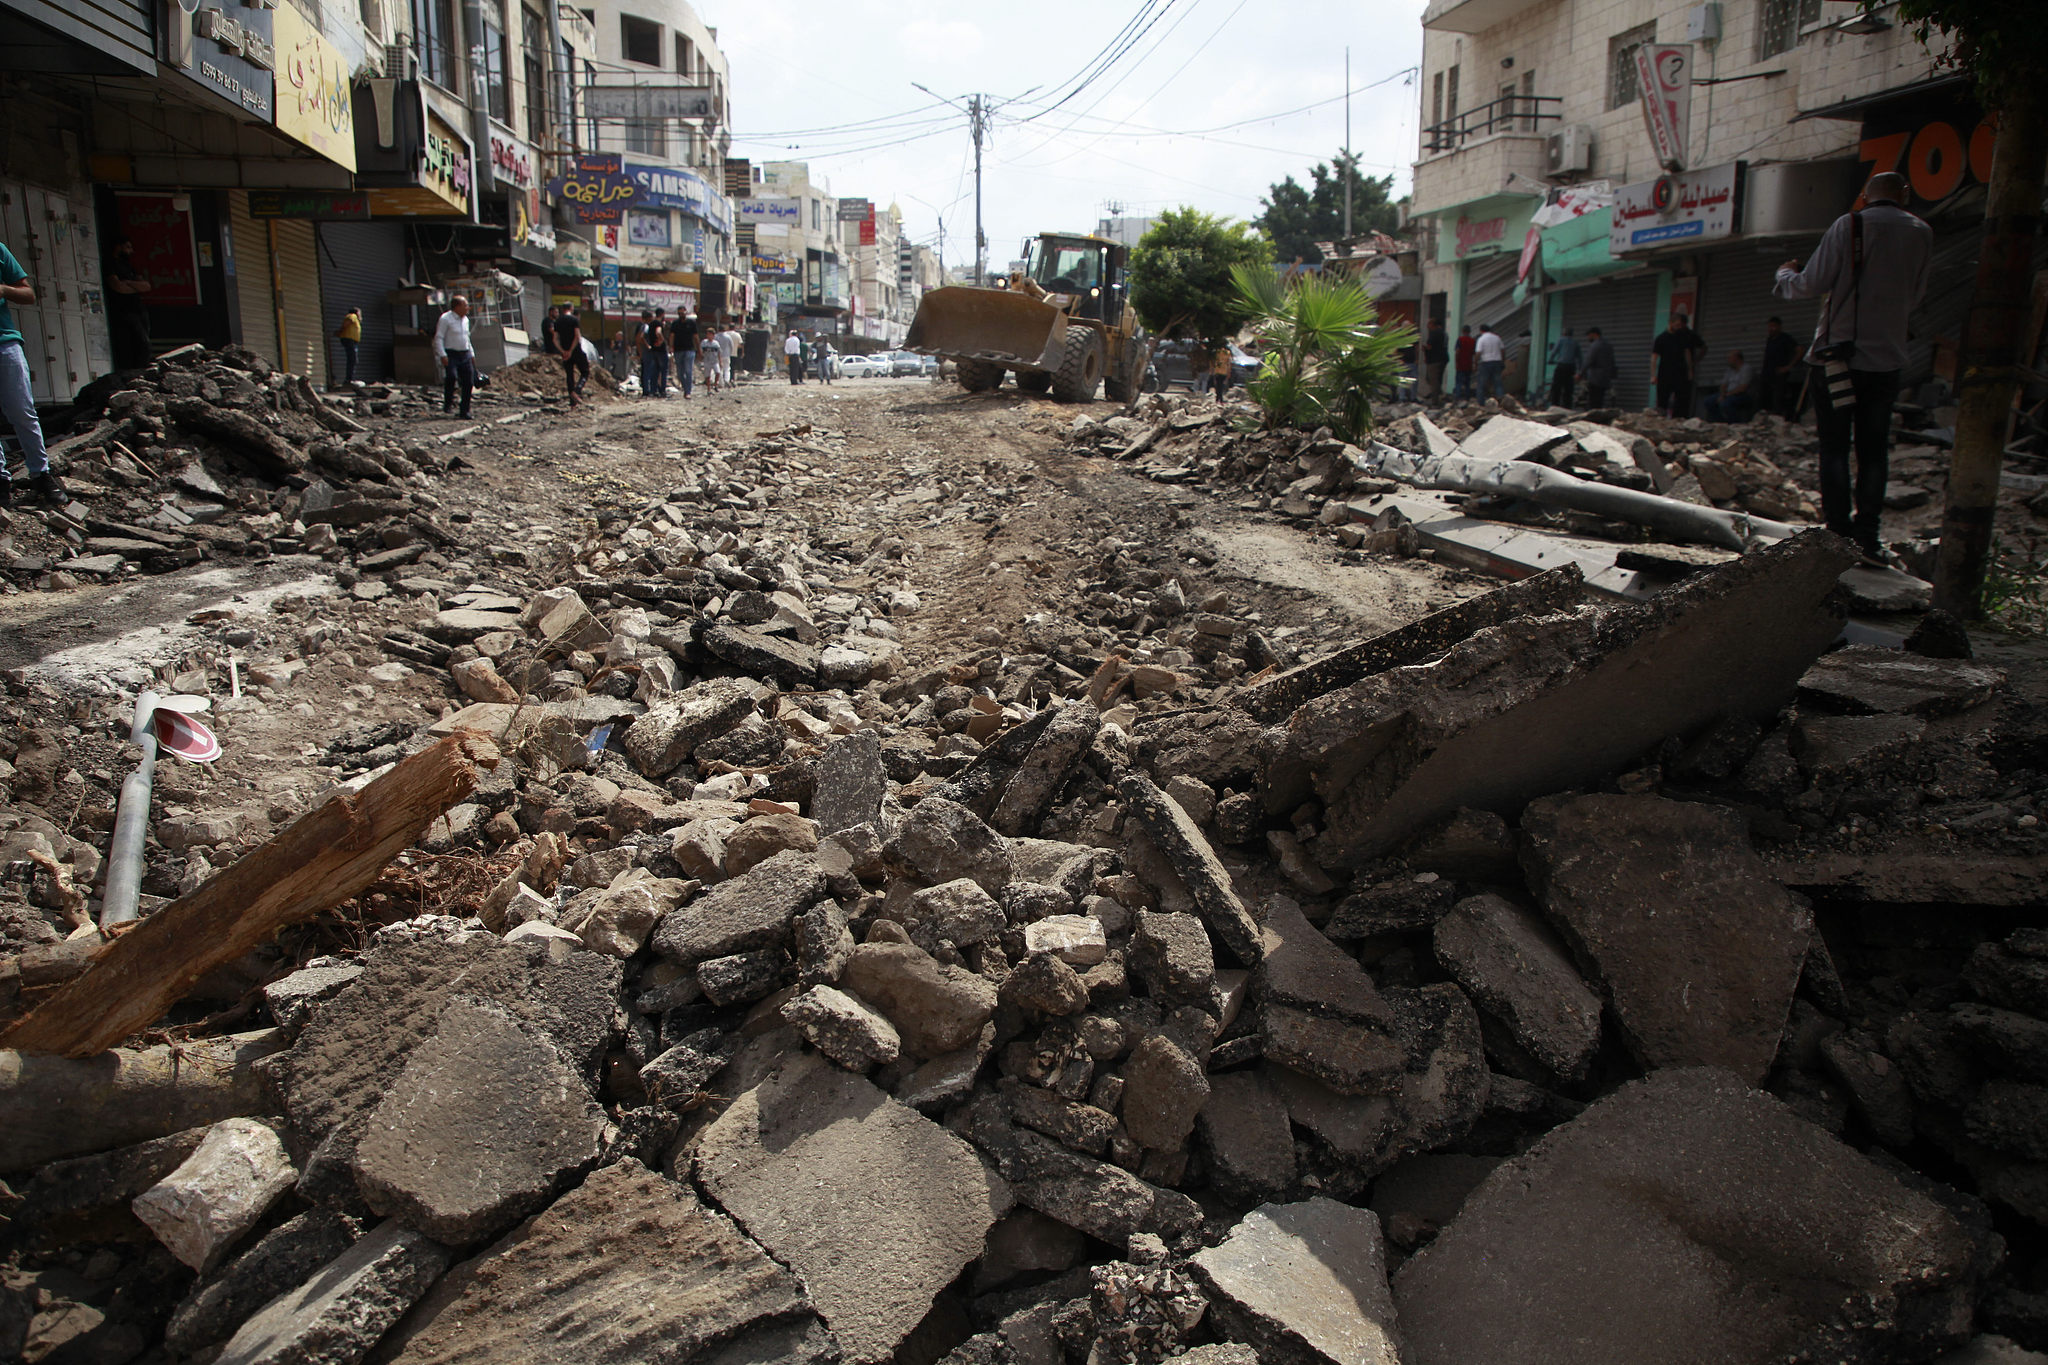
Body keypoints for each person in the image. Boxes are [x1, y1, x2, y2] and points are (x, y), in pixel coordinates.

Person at [1776, 170, 1933, 560]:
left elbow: (1809, 284)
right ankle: (1868, 535)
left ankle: (1837, 533)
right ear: (1905, 195)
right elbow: (1915, 295)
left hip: (1836, 360)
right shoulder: (1921, 232)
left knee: (1833, 446)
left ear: (1864, 195)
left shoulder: (1849, 225)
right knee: (1874, 450)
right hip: (1886, 361)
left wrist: (1784, 273)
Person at [0, 238, 62, 505]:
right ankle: (2, 483)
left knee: (22, 411)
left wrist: (3, 289)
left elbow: (28, 293)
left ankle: (41, 475)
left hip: (4, 342)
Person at [105, 236, 153, 370]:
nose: (131, 251)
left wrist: (129, 283)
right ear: (118, 247)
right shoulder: (111, 264)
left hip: (138, 309)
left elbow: (146, 286)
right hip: (124, 311)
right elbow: (118, 287)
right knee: (137, 344)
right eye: (128, 247)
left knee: (144, 344)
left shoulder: (128, 266)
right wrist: (134, 287)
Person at [1650, 312, 1705, 417]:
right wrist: (1653, 375)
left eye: (1680, 325)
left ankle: (1678, 421)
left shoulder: (1683, 337)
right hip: (1665, 373)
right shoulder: (1661, 338)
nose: (1679, 327)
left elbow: (1687, 353)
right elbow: (1654, 358)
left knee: (1681, 401)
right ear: (1671, 323)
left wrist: (1690, 370)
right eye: (1677, 325)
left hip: (1681, 373)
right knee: (1662, 401)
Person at [432, 294, 475, 418]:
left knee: (468, 381)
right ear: (457, 307)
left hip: (465, 353)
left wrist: (471, 354)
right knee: (451, 377)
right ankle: (448, 402)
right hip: (451, 354)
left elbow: (467, 338)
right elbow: (439, 338)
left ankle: (464, 410)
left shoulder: (466, 320)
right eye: (465, 305)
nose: (468, 307)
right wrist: (442, 355)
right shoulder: (446, 319)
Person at [1758, 316, 1802, 419]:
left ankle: (1779, 418)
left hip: (1779, 374)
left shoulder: (1785, 338)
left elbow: (1800, 350)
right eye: (1769, 327)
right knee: (1764, 398)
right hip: (1767, 374)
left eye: (1773, 326)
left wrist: (1788, 367)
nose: (1771, 329)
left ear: (1779, 327)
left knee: (1778, 398)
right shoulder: (1770, 340)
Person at [1701, 350, 1757, 424]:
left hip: (1742, 395)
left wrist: (1726, 395)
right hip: (1727, 394)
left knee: (1725, 403)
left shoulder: (1746, 369)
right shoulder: (1730, 370)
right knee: (1709, 401)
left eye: (1730, 358)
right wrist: (1722, 394)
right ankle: (1719, 422)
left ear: (1737, 359)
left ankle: (1734, 423)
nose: (1728, 360)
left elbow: (1743, 387)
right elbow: (1724, 384)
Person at [554, 306, 588, 409]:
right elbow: (577, 337)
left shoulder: (557, 321)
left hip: (565, 353)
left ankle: (572, 402)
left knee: (569, 375)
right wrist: (571, 350)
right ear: (571, 309)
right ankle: (577, 391)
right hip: (576, 351)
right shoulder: (574, 320)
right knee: (585, 372)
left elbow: (555, 339)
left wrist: (563, 351)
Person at [1580, 327, 1617, 408]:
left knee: (1593, 401)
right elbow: (1612, 361)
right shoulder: (1608, 345)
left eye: (1589, 335)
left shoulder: (1595, 345)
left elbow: (1588, 360)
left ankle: (1593, 418)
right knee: (1599, 400)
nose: (1588, 338)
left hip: (1595, 378)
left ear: (1594, 334)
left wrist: (1580, 373)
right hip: (1605, 378)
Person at [1546, 327, 1581, 408]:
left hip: (1561, 366)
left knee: (1557, 387)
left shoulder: (1561, 340)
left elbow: (1554, 352)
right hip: (1571, 368)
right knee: (1568, 389)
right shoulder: (1575, 342)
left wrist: (1550, 360)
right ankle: (1567, 407)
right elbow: (1579, 357)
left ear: (1564, 333)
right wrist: (1579, 370)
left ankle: (1555, 406)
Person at [1473, 324, 1505, 404]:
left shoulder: (1481, 339)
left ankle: (1481, 402)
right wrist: (1502, 360)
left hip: (1486, 363)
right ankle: (1501, 401)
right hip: (1497, 362)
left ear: (1481, 331)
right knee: (1498, 383)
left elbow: (1478, 352)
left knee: (1481, 384)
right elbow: (1502, 350)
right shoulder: (1497, 337)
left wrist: (1475, 363)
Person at [670, 310, 697, 399]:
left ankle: (688, 391)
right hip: (678, 350)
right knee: (680, 373)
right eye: (680, 313)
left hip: (689, 350)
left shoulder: (691, 323)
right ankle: (686, 388)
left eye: (683, 313)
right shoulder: (675, 324)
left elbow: (695, 336)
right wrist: (671, 347)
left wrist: (699, 349)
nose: (682, 315)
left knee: (688, 371)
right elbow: (672, 336)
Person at [333, 306, 363, 386]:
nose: (361, 315)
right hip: (349, 340)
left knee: (353, 359)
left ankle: (349, 379)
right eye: (360, 313)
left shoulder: (355, 319)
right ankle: (349, 380)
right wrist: (340, 331)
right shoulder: (352, 316)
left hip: (352, 341)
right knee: (352, 359)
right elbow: (347, 322)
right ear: (356, 312)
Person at [1423, 320, 1449, 402]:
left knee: (1433, 380)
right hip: (1443, 358)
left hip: (1434, 360)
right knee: (1438, 379)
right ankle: (1438, 395)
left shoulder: (1434, 333)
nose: (1427, 327)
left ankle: (1435, 400)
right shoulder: (1444, 333)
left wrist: (1424, 348)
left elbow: (1430, 346)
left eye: (1428, 324)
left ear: (1432, 324)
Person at [1452, 325, 1476, 400]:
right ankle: (1467, 397)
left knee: (1459, 382)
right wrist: (1474, 364)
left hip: (1460, 364)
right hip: (1468, 364)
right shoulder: (1472, 341)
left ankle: (1457, 398)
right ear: (1469, 331)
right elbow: (1474, 353)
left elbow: (1457, 352)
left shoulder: (1460, 339)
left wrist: (1456, 362)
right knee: (1467, 382)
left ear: (1462, 331)